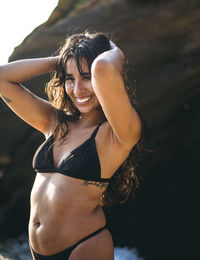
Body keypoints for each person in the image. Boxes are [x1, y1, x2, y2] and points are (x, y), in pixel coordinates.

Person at [0, 32, 143, 260]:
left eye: (86, 77)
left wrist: (116, 51)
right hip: (38, 251)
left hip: (84, 246)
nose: (78, 90)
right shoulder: (55, 122)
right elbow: (2, 77)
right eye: (70, 78)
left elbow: (104, 68)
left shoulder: (118, 134)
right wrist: (63, 60)